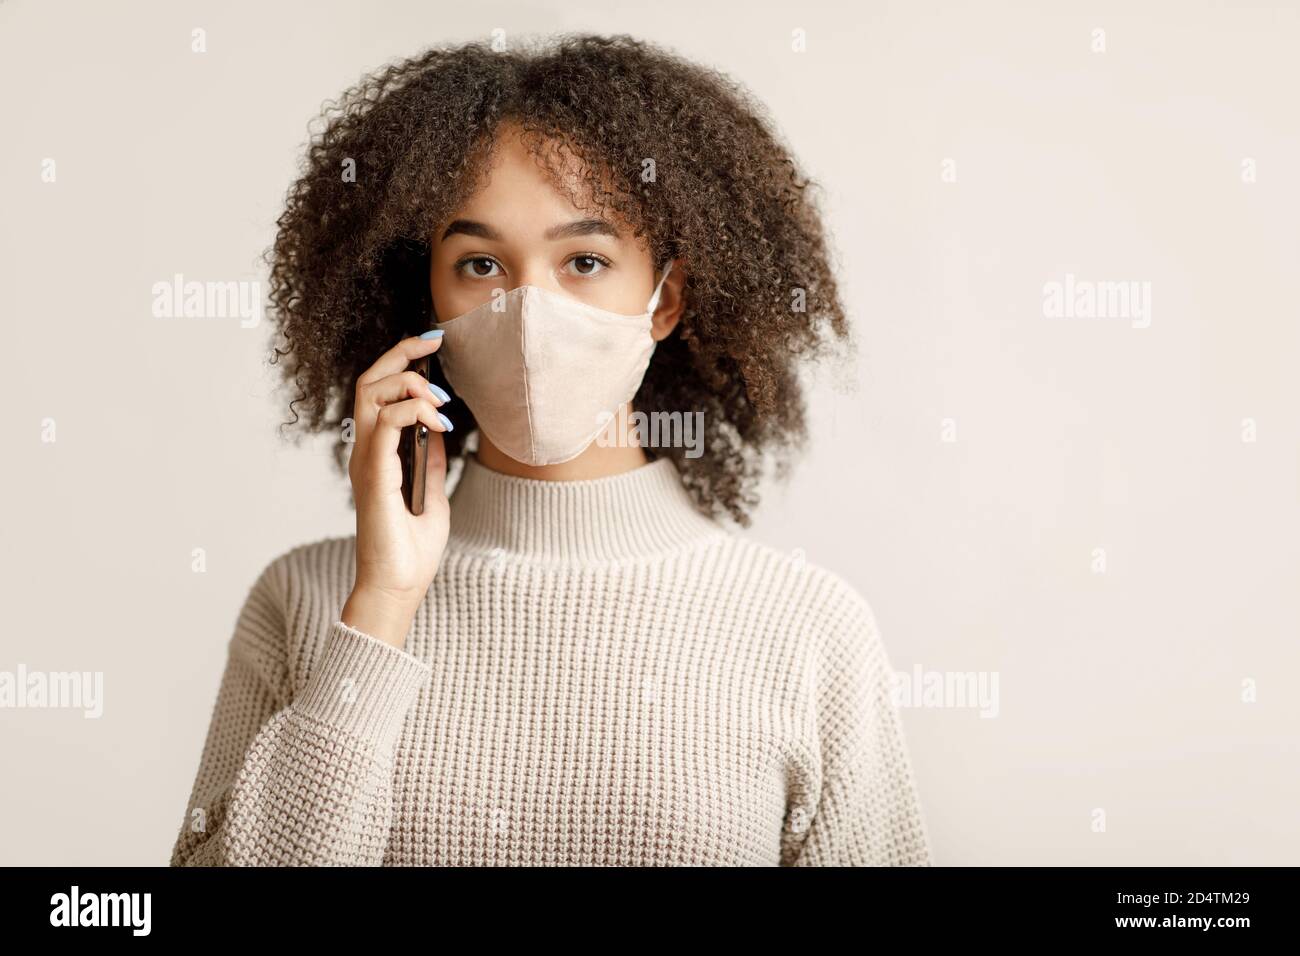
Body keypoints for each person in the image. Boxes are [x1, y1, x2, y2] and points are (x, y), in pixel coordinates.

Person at [169, 34, 932, 866]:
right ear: (425, 295)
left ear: (665, 300)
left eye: (586, 260)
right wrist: (383, 604)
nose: (529, 309)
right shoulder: (307, 602)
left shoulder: (808, 628)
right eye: (482, 262)